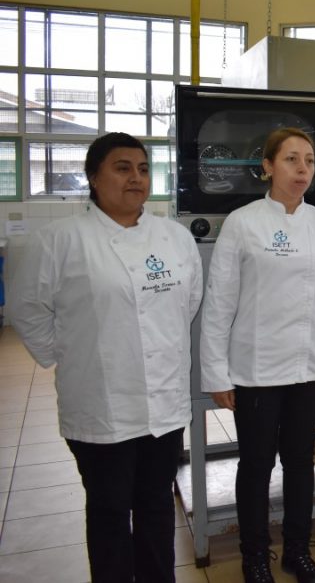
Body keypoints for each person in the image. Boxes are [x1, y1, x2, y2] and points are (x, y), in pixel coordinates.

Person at [9, 132, 203, 583]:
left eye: (142, 169)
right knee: (110, 509)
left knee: (156, 504)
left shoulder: (174, 238)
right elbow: (26, 308)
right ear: (93, 177)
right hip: (101, 403)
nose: (135, 178)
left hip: (164, 402)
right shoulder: (60, 240)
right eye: (122, 168)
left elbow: (189, 301)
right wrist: (68, 353)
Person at [200, 127, 315, 583]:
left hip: (309, 364)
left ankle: (297, 551)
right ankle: (254, 555)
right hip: (257, 367)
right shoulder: (242, 222)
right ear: (267, 167)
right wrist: (217, 373)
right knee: (256, 464)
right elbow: (220, 303)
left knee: (300, 461)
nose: (302, 169)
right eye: (290, 159)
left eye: (309, 160)